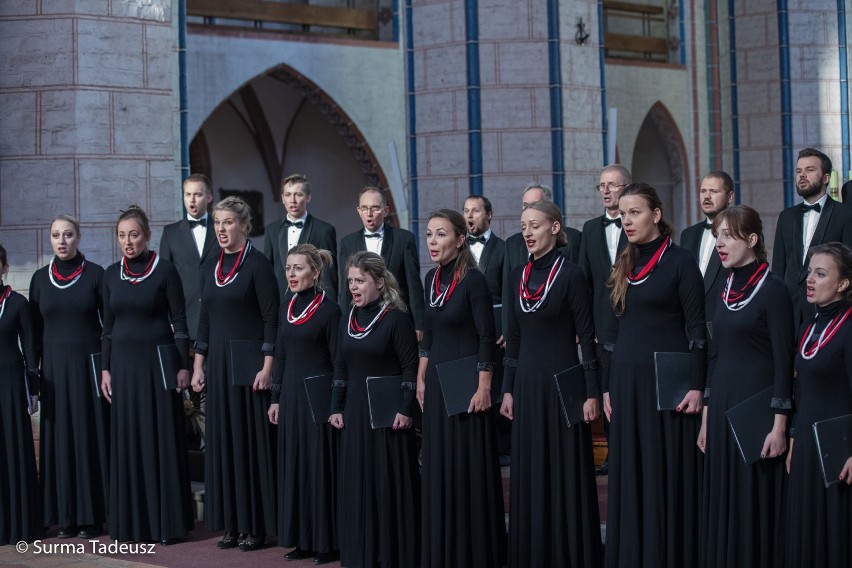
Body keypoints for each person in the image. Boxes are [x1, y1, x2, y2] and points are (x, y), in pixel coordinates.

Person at [602, 183, 706, 567]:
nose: (627, 220)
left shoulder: (681, 262)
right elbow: (612, 328)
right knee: (629, 472)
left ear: (656, 215)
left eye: (635, 212)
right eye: (623, 214)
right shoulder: (623, 262)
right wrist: (607, 385)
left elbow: (697, 330)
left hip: (668, 386)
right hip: (626, 383)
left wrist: (697, 385)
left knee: (663, 474)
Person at [499, 201, 602, 567]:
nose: (527, 232)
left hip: (563, 385)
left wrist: (592, 391)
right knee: (530, 470)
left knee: (565, 470)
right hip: (526, 385)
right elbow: (512, 337)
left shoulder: (572, 275)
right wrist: (507, 389)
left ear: (555, 229)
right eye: (523, 225)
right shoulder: (516, 277)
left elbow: (587, 337)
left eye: (535, 225)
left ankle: (569, 553)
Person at [697, 205, 793, 567]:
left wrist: (780, 425)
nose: (719, 243)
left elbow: (785, 363)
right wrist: (707, 418)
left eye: (728, 235)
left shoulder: (774, 290)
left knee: (752, 502)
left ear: (752, 240)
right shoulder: (724, 286)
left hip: (757, 413)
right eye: (717, 235)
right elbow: (715, 356)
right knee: (724, 500)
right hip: (720, 408)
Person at [417, 209, 506, 567]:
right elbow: (430, 333)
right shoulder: (430, 279)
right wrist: (422, 377)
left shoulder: (474, 281)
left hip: (468, 386)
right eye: (428, 234)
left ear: (459, 239)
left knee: (467, 468)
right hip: (438, 383)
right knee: (439, 465)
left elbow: (488, 337)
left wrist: (484, 386)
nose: (432, 242)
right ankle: (444, 548)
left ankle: (474, 551)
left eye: (440, 234)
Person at [100, 205, 194, 544]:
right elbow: (107, 329)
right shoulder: (110, 275)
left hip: (158, 368)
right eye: (122, 235)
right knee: (128, 441)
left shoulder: (165, 270)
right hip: (122, 370)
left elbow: (180, 323)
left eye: (134, 234)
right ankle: (131, 524)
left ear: (147, 235)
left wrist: (182, 365)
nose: (128, 241)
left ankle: (165, 523)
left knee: (160, 439)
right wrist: (105, 369)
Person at [190, 197, 279, 552]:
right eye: (217, 224)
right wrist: (199, 364)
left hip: (250, 367)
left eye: (228, 223)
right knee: (224, 446)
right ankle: (231, 523)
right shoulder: (210, 266)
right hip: (220, 369)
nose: (222, 230)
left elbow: (272, 318)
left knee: (249, 446)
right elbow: (206, 319)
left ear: (244, 225)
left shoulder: (258, 265)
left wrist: (268, 367)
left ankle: (255, 526)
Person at [329, 251, 420, 568]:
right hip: (354, 413)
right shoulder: (346, 319)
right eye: (350, 281)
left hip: (388, 416)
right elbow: (340, 368)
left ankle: (391, 555)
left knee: (386, 484)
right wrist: (335, 408)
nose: (353, 287)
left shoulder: (396, 319)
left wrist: (407, 409)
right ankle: (359, 554)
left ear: (379, 282)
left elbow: (410, 369)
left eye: (360, 280)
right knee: (358, 484)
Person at [29, 215, 108, 539]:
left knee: (88, 440)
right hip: (54, 375)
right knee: (59, 444)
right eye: (56, 235)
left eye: (68, 235)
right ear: (50, 240)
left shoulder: (96, 275)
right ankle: (65, 517)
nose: (62, 241)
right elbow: (32, 335)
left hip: (88, 372)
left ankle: (92, 517)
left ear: (79, 237)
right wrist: (34, 379)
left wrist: (107, 368)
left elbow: (109, 327)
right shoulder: (39, 279)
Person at [268, 244, 341, 565]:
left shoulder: (330, 309)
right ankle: (302, 539)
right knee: (295, 468)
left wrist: (337, 403)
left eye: (298, 268)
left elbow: (340, 361)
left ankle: (326, 542)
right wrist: (275, 398)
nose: (292, 274)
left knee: (319, 470)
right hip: (292, 399)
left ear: (315, 271)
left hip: (319, 398)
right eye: (288, 268)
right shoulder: (286, 306)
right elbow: (281, 356)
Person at [785, 242, 852, 567]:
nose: (810, 279)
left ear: (843, 283)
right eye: (810, 271)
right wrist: (795, 437)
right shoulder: (809, 326)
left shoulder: (850, 327)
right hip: (806, 445)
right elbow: (804, 389)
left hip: (839, 448)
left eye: (821, 274)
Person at [578, 164, 630, 476]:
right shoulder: (590, 228)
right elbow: (584, 280)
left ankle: (629, 449)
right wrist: (585, 326)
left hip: (632, 321)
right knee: (605, 387)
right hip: (600, 323)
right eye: (601, 186)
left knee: (626, 387)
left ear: (627, 188)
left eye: (613, 185)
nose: (606, 191)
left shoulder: (638, 225)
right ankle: (612, 452)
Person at [773, 148, 852, 325]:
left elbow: (849, 268)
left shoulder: (845, 215)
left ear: (826, 178)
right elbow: (778, 268)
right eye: (799, 171)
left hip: (829, 314)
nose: (802, 175)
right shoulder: (786, 217)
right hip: (789, 315)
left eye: (810, 170)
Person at [338, 187, 425, 337]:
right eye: (364, 208)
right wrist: (344, 323)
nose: (369, 213)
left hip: (396, 317)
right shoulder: (348, 243)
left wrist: (419, 324)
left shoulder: (404, 239)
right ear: (359, 211)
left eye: (375, 208)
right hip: (360, 320)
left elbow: (414, 285)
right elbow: (346, 289)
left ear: (385, 211)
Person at [0, 244, 41, 545]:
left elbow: (30, 349)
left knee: (13, 449)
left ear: (3, 268)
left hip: (11, 383)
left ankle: (20, 524)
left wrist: (33, 389)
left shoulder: (17, 303)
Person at [502, 183, 582, 331]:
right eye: (525, 205)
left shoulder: (573, 238)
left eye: (534, 205)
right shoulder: (512, 243)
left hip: (559, 327)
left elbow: (580, 289)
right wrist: (507, 331)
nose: (528, 210)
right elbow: (508, 294)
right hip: (523, 327)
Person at [159, 173, 217, 341]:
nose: (192, 200)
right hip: (183, 320)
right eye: (188, 194)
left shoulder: (221, 230)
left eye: (198, 194)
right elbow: (164, 279)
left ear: (209, 197)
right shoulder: (170, 233)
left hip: (217, 319)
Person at [264, 173, 338, 301]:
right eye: (288, 195)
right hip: (280, 305)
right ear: (282, 198)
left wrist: (330, 310)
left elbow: (329, 277)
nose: (292, 200)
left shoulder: (324, 230)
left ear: (308, 197)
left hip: (313, 304)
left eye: (298, 194)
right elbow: (267, 274)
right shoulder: (272, 230)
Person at [680, 171, 734, 327]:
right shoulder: (688, 235)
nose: (707, 196)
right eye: (703, 191)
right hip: (690, 327)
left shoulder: (740, 234)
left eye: (714, 191)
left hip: (724, 325)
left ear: (729, 197)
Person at [463, 195, 505, 304]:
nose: (469, 216)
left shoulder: (503, 248)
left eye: (475, 211)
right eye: (466, 211)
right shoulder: (458, 249)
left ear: (488, 215)